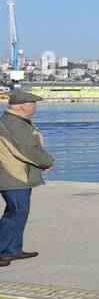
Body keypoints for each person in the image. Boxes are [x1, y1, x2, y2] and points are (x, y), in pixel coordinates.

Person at [0, 91, 55, 268]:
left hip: (17, 174)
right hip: (13, 175)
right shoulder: (12, 123)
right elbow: (28, 148)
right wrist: (46, 162)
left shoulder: (15, 121)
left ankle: (12, 250)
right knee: (16, 212)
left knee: (18, 211)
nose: (36, 106)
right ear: (23, 106)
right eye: (34, 103)